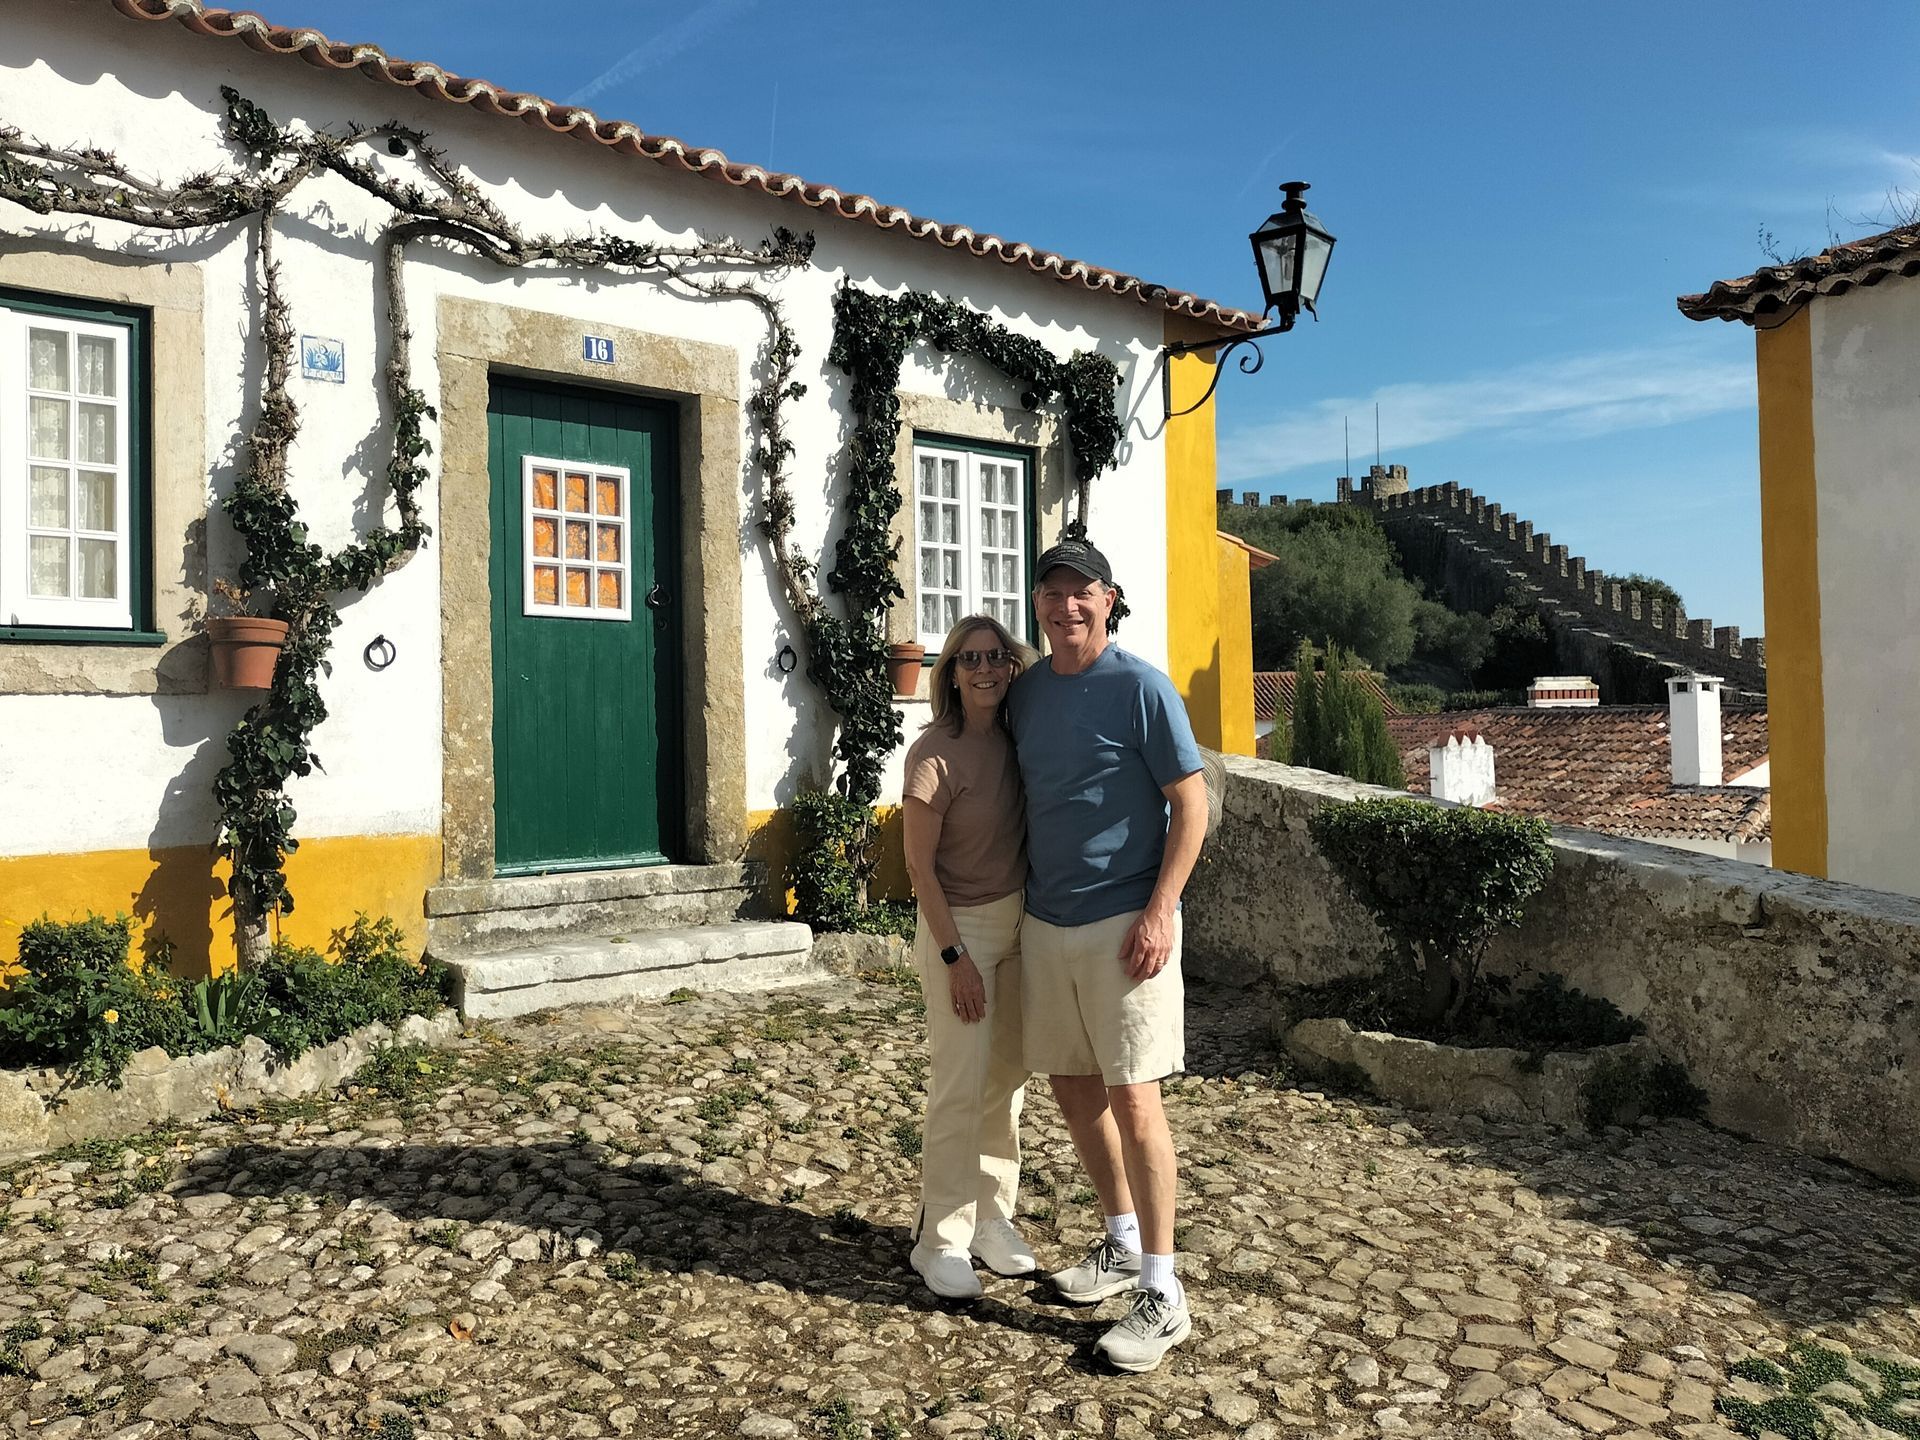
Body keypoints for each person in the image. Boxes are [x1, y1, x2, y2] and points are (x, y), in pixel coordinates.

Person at [1007, 536, 1208, 1373]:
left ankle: (1164, 1293)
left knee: (1136, 1102)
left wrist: (1162, 910)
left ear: (1110, 598)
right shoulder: (1024, 695)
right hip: (1046, 922)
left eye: (1081, 593)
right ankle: (1121, 1242)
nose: (1066, 607)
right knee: (1072, 1083)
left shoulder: (1141, 688)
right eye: (1052, 594)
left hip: (1129, 923)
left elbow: (1192, 808)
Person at [901, 614, 1040, 1300]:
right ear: (951, 673)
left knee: (1007, 1084)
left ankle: (992, 1216)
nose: (985, 669)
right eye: (970, 660)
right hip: (962, 933)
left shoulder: (1017, 740)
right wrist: (955, 956)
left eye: (997, 657)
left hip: (1021, 928)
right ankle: (940, 1240)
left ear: (1012, 666)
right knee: (959, 1088)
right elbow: (920, 871)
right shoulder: (934, 752)